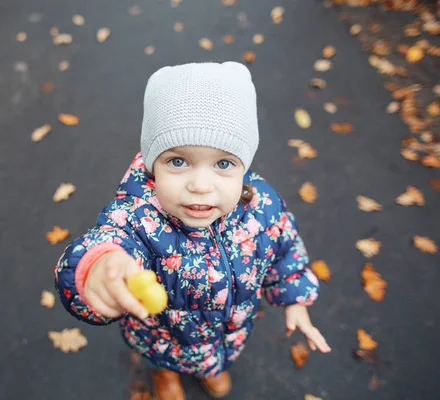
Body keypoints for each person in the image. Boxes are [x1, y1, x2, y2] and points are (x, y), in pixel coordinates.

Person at [54, 62, 331, 399]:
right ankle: (166, 375)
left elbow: (285, 250)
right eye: (178, 161)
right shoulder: (138, 216)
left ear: (245, 164)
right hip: (162, 338)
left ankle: (211, 368)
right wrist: (95, 269)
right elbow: (110, 241)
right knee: (161, 358)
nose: (200, 185)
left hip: (228, 336)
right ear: (152, 165)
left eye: (223, 164)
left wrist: (295, 299)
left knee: (216, 362)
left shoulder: (263, 206)